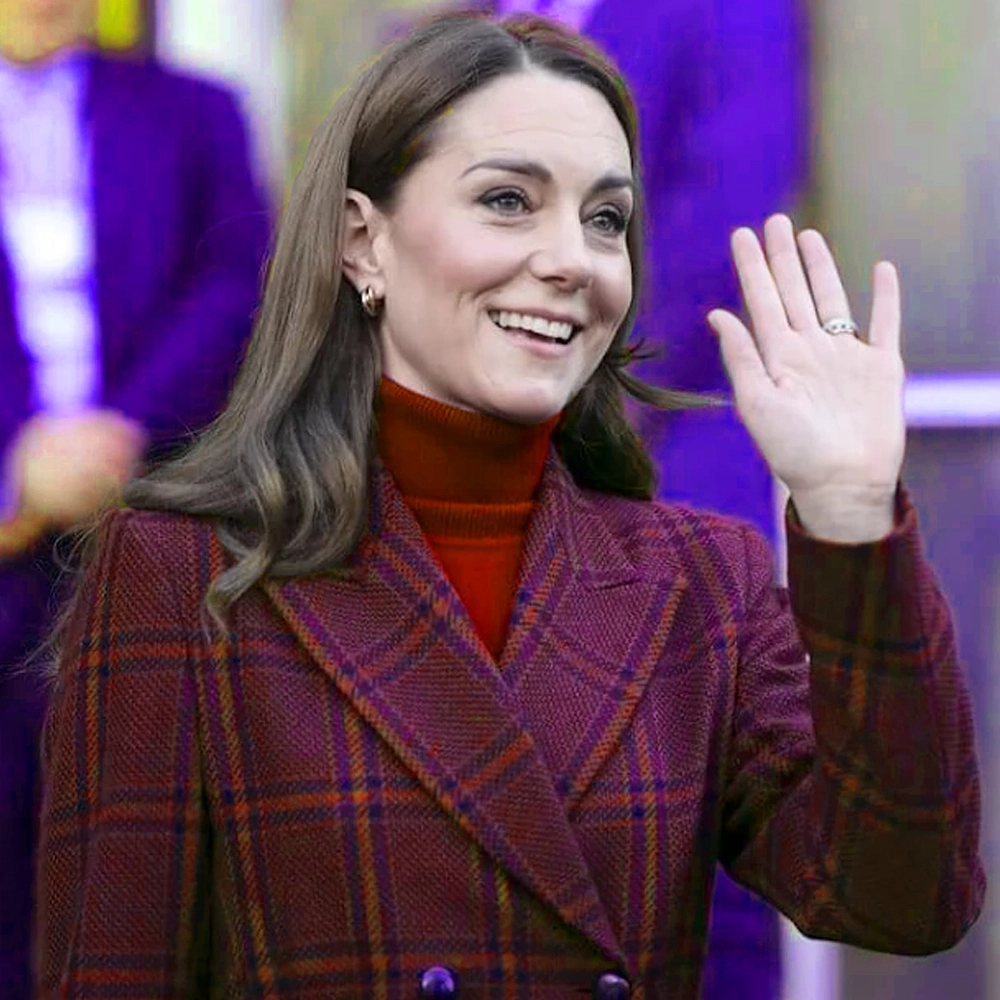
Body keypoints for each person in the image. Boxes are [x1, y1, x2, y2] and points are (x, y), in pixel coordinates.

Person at [37, 12, 983, 999]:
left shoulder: (703, 578)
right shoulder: (180, 574)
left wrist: (849, 513)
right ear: (363, 240)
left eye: (605, 219)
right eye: (507, 201)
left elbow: (903, 896)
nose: (573, 258)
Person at [487, 2, 809, 995]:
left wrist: (564, 397)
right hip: (495, 471)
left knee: (701, 835)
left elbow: (721, 221)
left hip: (666, 445)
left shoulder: (730, 14)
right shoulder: (467, 27)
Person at [0, 1, 270, 995]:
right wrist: (16, 472)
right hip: (9, 542)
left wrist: (118, 435)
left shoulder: (194, 111)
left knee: (142, 878)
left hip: (151, 530)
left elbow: (237, 282)